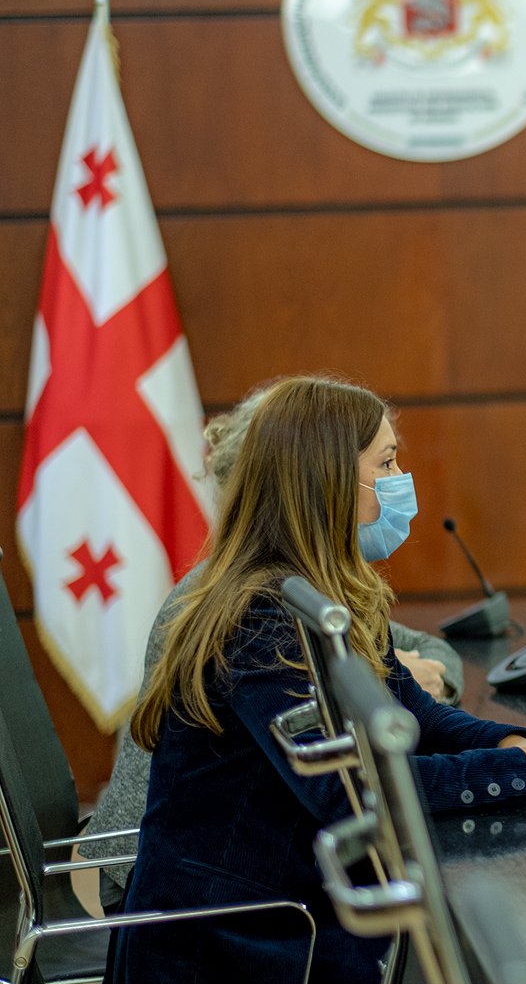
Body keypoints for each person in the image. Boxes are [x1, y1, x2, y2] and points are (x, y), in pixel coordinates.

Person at [107, 376, 526, 984]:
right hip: (225, 962)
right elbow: (351, 791)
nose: (401, 481)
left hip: (293, 920)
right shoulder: (258, 616)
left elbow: (415, 710)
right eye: (386, 464)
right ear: (328, 481)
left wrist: (516, 747)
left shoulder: (325, 589)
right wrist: (525, 774)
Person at [80, 388, 463, 913]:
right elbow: (339, 787)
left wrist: (399, 683)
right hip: (187, 885)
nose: (399, 478)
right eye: (386, 463)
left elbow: (423, 655)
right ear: (316, 481)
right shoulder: (244, 604)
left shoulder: (315, 582)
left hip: (247, 862)